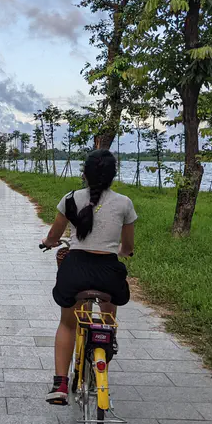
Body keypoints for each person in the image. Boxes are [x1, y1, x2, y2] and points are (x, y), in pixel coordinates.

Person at [41, 149, 137, 405]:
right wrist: (121, 250)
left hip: (76, 270)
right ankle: (104, 344)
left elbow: (54, 236)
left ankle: (60, 383)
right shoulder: (125, 203)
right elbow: (127, 248)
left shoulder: (70, 199)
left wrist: (49, 242)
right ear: (113, 176)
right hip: (108, 272)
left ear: (84, 174)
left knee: (68, 323)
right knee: (106, 320)